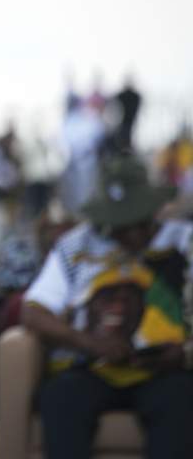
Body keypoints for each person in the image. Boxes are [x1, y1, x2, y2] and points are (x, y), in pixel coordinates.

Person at [22, 157, 193, 459]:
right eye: (120, 225)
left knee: (181, 399)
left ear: (153, 210)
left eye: (138, 222)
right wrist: (91, 343)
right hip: (89, 369)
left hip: (168, 372)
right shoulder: (75, 245)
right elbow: (33, 312)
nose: (130, 234)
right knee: (60, 396)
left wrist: (184, 353)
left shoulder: (185, 240)